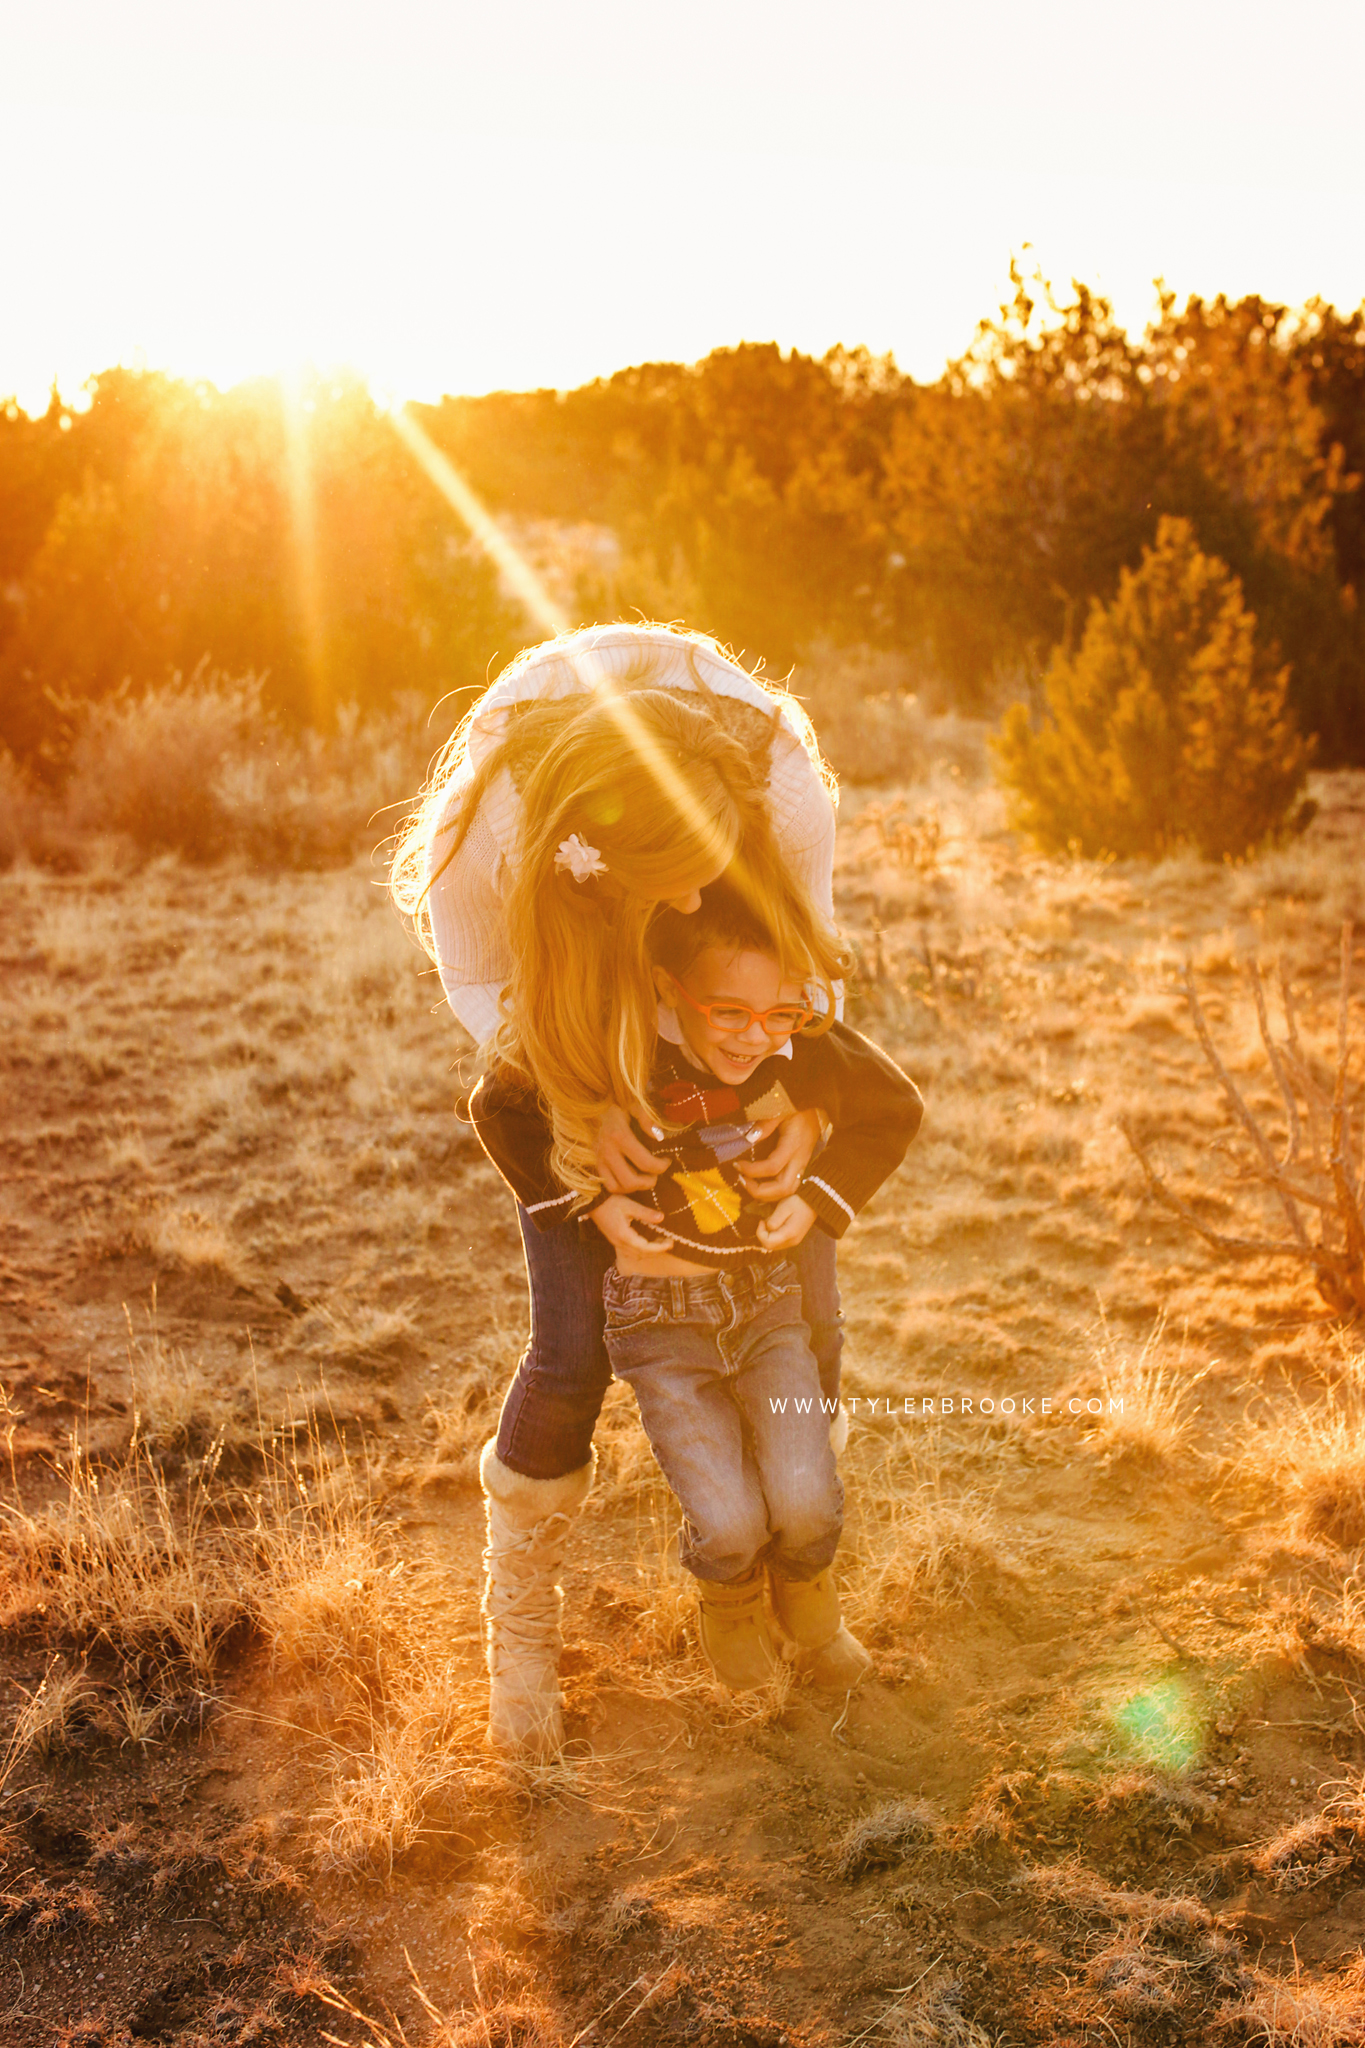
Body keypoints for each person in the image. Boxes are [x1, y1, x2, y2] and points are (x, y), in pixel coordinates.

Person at [390, 623, 846, 1757]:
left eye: (712, 862)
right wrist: (589, 1135)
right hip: (562, 1020)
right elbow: (498, 1019)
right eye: (672, 877)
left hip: (721, 1036)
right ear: (591, 858)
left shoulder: (779, 787)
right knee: (576, 1346)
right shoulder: (481, 837)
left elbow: (810, 976)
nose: (699, 890)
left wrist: (812, 1108)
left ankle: (781, 1559)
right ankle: (523, 1631)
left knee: (810, 1313)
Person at [471, 879, 924, 1711]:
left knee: (805, 1495)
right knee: (722, 1515)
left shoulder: (794, 1044)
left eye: (779, 1015)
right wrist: (591, 1196)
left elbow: (893, 1103)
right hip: (659, 1321)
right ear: (665, 989)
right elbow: (500, 1105)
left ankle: (807, 1599)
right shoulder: (614, 1043)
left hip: (766, 1304)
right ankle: (726, 1594)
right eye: (729, 1015)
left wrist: (819, 1187)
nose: (757, 1039)